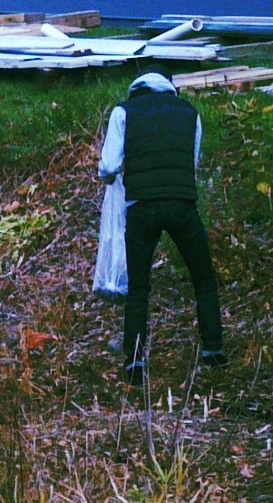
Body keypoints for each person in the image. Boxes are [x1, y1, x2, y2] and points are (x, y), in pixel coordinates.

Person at [96, 63, 224, 383]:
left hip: (141, 208)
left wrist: (116, 176)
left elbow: (108, 166)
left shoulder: (123, 112)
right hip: (183, 206)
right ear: (170, 85)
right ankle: (213, 351)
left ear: (137, 85)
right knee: (204, 280)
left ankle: (135, 364)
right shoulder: (189, 113)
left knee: (139, 288)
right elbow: (190, 165)